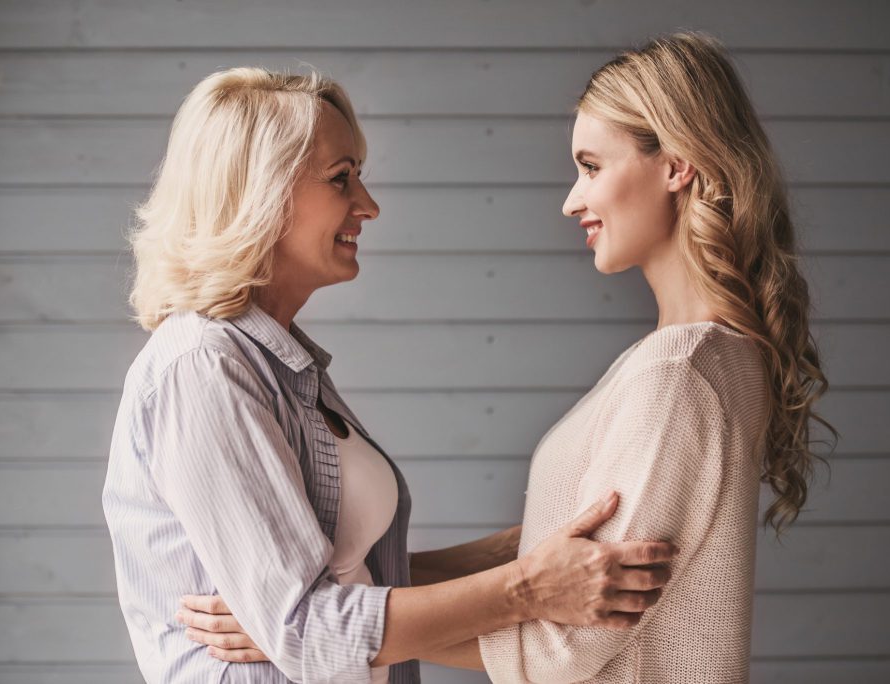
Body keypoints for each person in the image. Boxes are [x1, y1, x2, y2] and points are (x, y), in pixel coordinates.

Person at [185, 33, 835, 683]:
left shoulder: (678, 372)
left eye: (591, 166)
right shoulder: (708, 358)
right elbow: (559, 572)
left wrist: (316, 632)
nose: (572, 200)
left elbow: (566, 645)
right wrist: (316, 611)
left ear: (677, 164)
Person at [102, 67, 677, 684]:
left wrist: (513, 554)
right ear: (257, 190)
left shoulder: (281, 364)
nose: (368, 206)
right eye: (340, 178)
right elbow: (306, 628)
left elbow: (351, 578)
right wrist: (528, 587)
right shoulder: (204, 368)